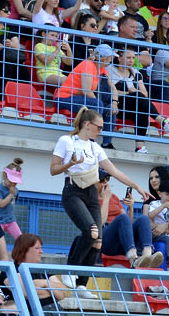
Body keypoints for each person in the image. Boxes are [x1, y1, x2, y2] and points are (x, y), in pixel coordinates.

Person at [50, 108, 147, 268]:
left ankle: (82, 282)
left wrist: (136, 186)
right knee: (91, 231)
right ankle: (71, 271)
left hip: (90, 192)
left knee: (98, 241)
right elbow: (53, 169)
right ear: (87, 124)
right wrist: (70, 164)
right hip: (73, 190)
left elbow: (114, 171)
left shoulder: (95, 147)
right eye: (99, 127)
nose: (101, 131)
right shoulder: (66, 141)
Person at [100, 186, 165, 270]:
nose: (105, 183)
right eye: (102, 181)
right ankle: (133, 259)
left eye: (106, 180)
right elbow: (99, 222)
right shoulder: (92, 197)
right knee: (122, 218)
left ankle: (147, 256)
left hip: (124, 241)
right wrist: (105, 199)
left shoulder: (114, 197)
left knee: (144, 219)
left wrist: (130, 208)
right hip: (106, 238)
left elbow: (128, 222)